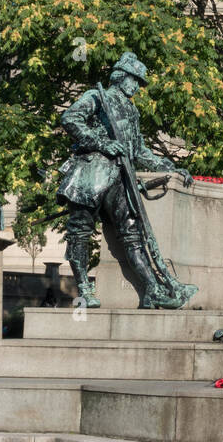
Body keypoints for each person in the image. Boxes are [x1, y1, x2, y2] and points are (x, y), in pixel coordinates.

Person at [57, 51, 196, 309]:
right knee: (80, 234)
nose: (137, 87)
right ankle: (85, 290)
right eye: (135, 80)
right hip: (90, 175)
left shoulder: (131, 109)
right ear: (121, 77)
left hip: (122, 177)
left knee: (134, 235)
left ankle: (152, 290)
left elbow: (139, 149)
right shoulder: (98, 96)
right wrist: (101, 143)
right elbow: (70, 118)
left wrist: (168, 166)